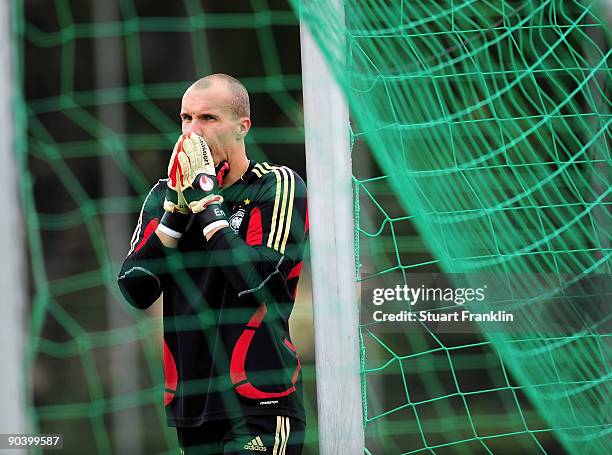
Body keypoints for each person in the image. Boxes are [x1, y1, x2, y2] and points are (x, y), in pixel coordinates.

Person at [117, 74, 308, 454]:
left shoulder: (275, 185)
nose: (193, 132)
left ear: (242, 127)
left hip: (261, 402)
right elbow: (136, 288)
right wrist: (174, 216)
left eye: (208, 119)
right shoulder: (164, 195)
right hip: (193, 406)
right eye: (186, 119)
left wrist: (209, 209)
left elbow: (262, 280)